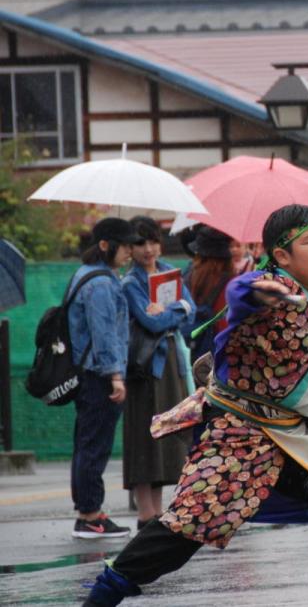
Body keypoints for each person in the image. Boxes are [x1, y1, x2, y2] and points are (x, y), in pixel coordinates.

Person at [81, 204, 308, 607]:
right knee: (189, 526)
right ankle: (103, 595)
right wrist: (253, 293)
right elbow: (240, 293)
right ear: (281, 256)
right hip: (241, 434)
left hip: (297, 432)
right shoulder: (268, 287)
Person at [68, 217, 145, 539]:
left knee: (89, 444)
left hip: (90, 374)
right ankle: (89, 515)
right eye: (125, 246)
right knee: (94, 446)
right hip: (99, 376)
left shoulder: (90, 275)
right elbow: (103, 335)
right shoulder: (100, 283)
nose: (130, 251)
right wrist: (115, 376)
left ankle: (90, 512)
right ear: (104, 245)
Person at [121, 217, 196, 529]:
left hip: (171, 363)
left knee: (169, 434)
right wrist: (177, 310)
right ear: (130, 249)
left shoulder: (169, 272)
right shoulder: (130, 283)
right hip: (144, 366)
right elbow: (149, 323)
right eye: (140, 243)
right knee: (144, 436)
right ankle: (145, 514)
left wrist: (170, 309)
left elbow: (191, 311)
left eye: (152, 241)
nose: (148, 249)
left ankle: (159, 509)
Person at [184, 226, 236, 363]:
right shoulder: (229, 283)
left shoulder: (189, 276)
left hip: (190, 350)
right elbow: (227, 327)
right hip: (218, 355)